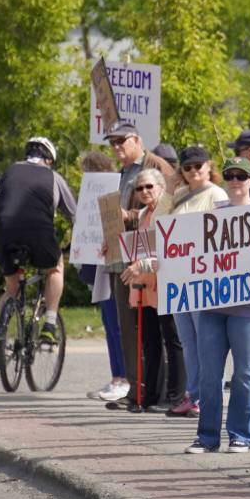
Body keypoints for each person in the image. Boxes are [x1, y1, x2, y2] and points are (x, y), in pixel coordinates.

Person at [185, 157, 250, 453]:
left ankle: (242, 434)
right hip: (214, 305)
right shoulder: (215, 215)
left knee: (243, 372)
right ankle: (207, 437)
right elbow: (192, 258)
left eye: (242, 175)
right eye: (230, 175)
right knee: (209, 374)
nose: (236, 180)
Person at [103, 119, 176, 411]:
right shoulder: (123, 172)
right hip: (125, 255)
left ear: (136, 139)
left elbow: (165, 206)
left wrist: (127, 214)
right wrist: (110, 236)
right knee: (130, 328)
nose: (117, 147)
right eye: (113, 143)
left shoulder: (156, 165)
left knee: (153, 330)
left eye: (122, 141)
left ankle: (152, 392)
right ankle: (136, 390)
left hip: (150, 261)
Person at [0, 137, 77, 360]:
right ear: (49, 159)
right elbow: (75, 215)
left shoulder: (8, 172)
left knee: (11, 288)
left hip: (3, 232)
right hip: (37, 232)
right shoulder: (53, 177)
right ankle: (49, 323)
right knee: (55, 268)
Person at [164, 145, 228, 418]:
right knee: (188, 340)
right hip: (178, 277)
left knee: (206, 340)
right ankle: (193, 394)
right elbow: (157, 226)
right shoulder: (178, 196)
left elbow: (226, 233)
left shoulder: (217, 194)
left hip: (205, 277)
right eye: (187, 167)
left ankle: (208, 395)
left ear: (208, 166)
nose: (193, 171)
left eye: (198, 166)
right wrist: (168, 190)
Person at [119, 168, 185, 413]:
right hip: (144, 285)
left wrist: (140, 265)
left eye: (149, 187)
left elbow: (168, 249)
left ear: (160, 187)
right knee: (150, 342)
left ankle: (175, 396)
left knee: (173, 340)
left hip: (165, 283)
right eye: (140, 188)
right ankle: (149, 396)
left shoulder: (168, 211)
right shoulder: (143, 214)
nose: (145, 192)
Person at [79, 151, 130, 402]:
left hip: (114, 264)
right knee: (109, 324)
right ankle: (117, 376)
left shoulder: (115, 190)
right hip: (100, 265)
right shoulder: (92, 195)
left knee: (116, 323)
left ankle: (123, 377)